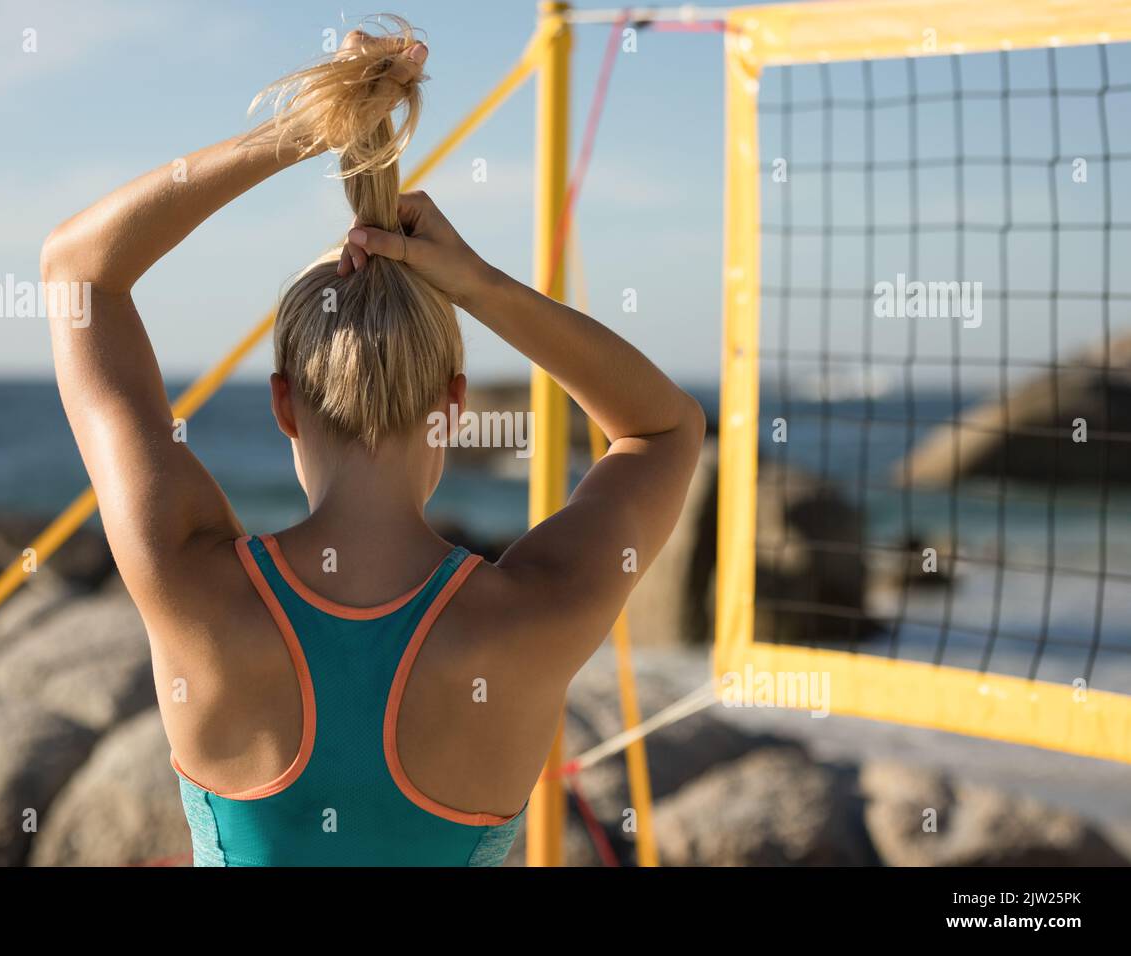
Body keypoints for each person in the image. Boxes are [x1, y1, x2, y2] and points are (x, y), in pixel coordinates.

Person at [41, 17, 704, 866]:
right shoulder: (535, 614)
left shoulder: (191, 582)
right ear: (454, 406)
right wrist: (479, 283)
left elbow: (79, 271)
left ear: (285, 404)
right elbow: (662, 428)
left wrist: (306, 129)